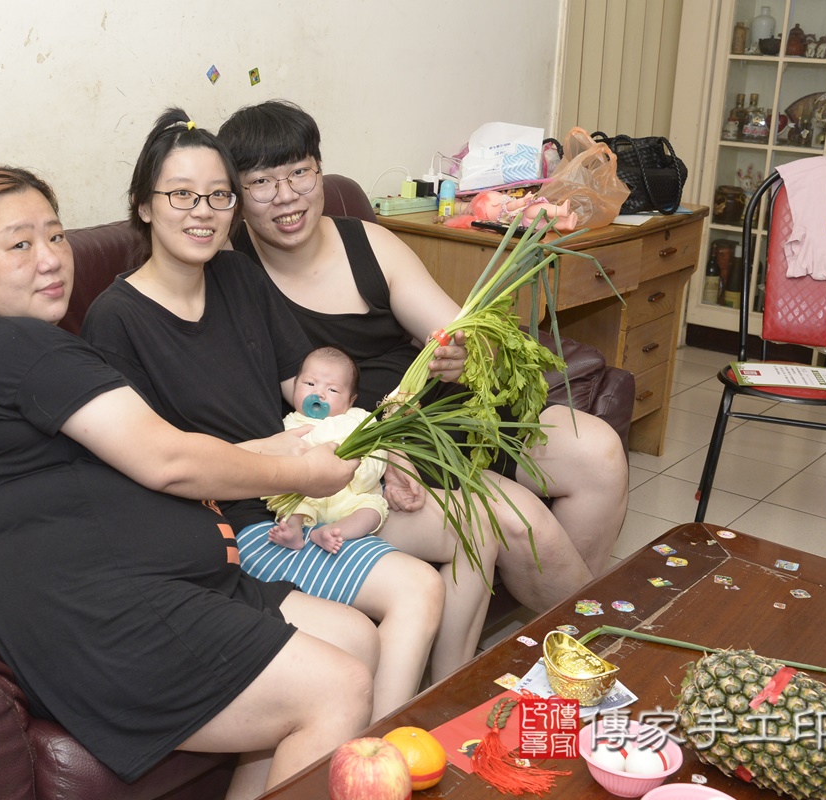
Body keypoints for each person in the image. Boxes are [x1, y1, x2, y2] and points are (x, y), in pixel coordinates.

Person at [0, 158, 383, 798]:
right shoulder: (10, 346)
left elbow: (127, 452)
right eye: (19, 245)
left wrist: (267, 448)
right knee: (338, 685)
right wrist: (302, 471)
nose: (51, 260)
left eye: (56, 235)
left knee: (357, 638)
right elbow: (166, 459)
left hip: (150, 579)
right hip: (90, 611)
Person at [82, 108, 495, 715]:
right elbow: (147, 467)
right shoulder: (116, 318)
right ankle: (377, 750)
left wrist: (382, 456)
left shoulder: (236, 276)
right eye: (181, 195)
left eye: (218, 195)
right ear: (144, 205)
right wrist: (282, 463)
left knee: (476, 526)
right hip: (236, 519)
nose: (203, 211)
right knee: (417, 589)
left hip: (301, 490)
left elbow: (308, 397)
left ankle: (446, 706)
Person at [218, 100, 630, 612]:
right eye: (261, 182)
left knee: (598, 452)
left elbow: (462, 332)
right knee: (523, 521)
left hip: (448, 412)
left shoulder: (369, 243)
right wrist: (389, 452)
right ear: (236, 194)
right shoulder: (234, 275)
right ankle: (586, 634)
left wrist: (465, 355)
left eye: (300, 173)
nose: (286, 197)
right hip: (380, 446)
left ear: (319, 170)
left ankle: (565, 627)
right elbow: (302, 410)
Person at [267, 345, 388, 555]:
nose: (319, 393)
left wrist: (360, 473)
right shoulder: (289, 424)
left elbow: (378, 452)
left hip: (352, 495)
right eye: (310, 383)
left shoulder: (360, 419)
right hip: (305, 495)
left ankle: (334, 531)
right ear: (295, 385)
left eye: (332, 390)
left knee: (373, 510)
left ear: (351, 399)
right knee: (285, 499)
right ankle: (293, 530)